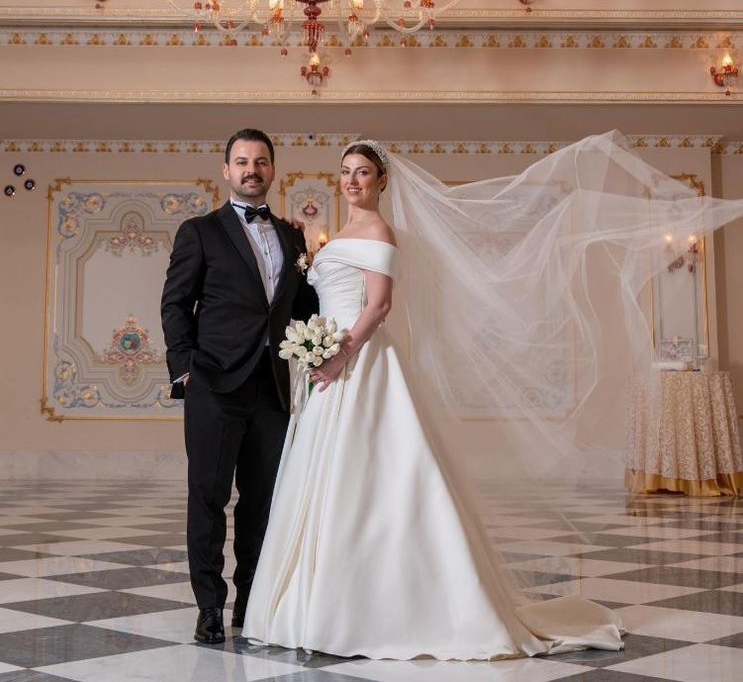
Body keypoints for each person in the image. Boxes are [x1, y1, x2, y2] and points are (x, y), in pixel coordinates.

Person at [243, 135, 743, 660]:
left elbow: (379, 306)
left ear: (381, 181)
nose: (351, 180)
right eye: (345, 171)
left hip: (360, 361)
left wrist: (341, 354)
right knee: (330, 475)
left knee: (375, 473)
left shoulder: (379, 231)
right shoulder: (338, 234)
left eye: (362, 172)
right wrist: (319, 341)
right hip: (330, 364)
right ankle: (321, 601)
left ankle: (377, 607)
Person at [161, 128, 318, 645]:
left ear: (273, 170)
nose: (253, 170)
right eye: (243, 162)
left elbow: (302, 308)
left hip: (272, 387)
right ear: (227, 170)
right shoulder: (200, 232)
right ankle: (209, 606)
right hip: (213, 383)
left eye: (261, 161)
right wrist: (185, 368)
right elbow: (175, 303)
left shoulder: (293, 238)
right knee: (208, 497)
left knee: (262, 501)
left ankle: (250, 602)